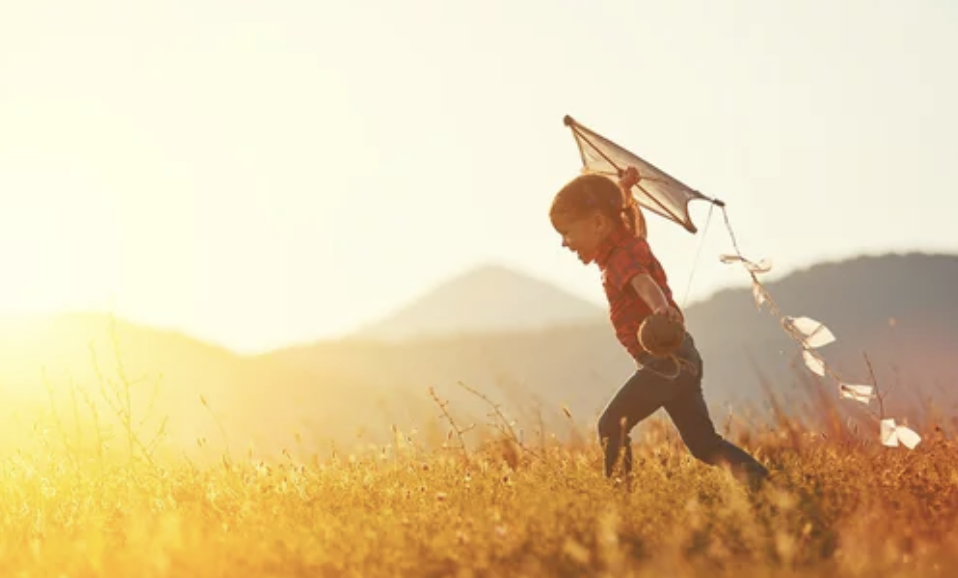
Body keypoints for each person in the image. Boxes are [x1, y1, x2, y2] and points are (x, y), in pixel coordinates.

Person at [548, 166, 769, 490]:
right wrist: (623, 190)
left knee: (612, 425)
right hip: (684, 359)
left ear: (597, 223)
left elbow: (644, 283)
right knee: (704, 444)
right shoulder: (630, 244)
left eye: (567, 232)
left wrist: (660, 307)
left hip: (666, 363)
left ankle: (620, 499)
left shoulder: (620, 259)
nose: (565, 243)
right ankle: (764, 485)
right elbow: (631, 229)